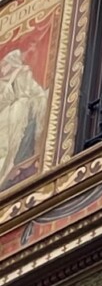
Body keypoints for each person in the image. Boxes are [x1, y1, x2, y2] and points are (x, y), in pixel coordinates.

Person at [0, 49, 47, 188]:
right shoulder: (4, 83)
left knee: (9, 147)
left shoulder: (22, 74)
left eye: (4, 64)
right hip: (7, 118)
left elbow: (36, 94)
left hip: (17, 114)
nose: (2, 68)